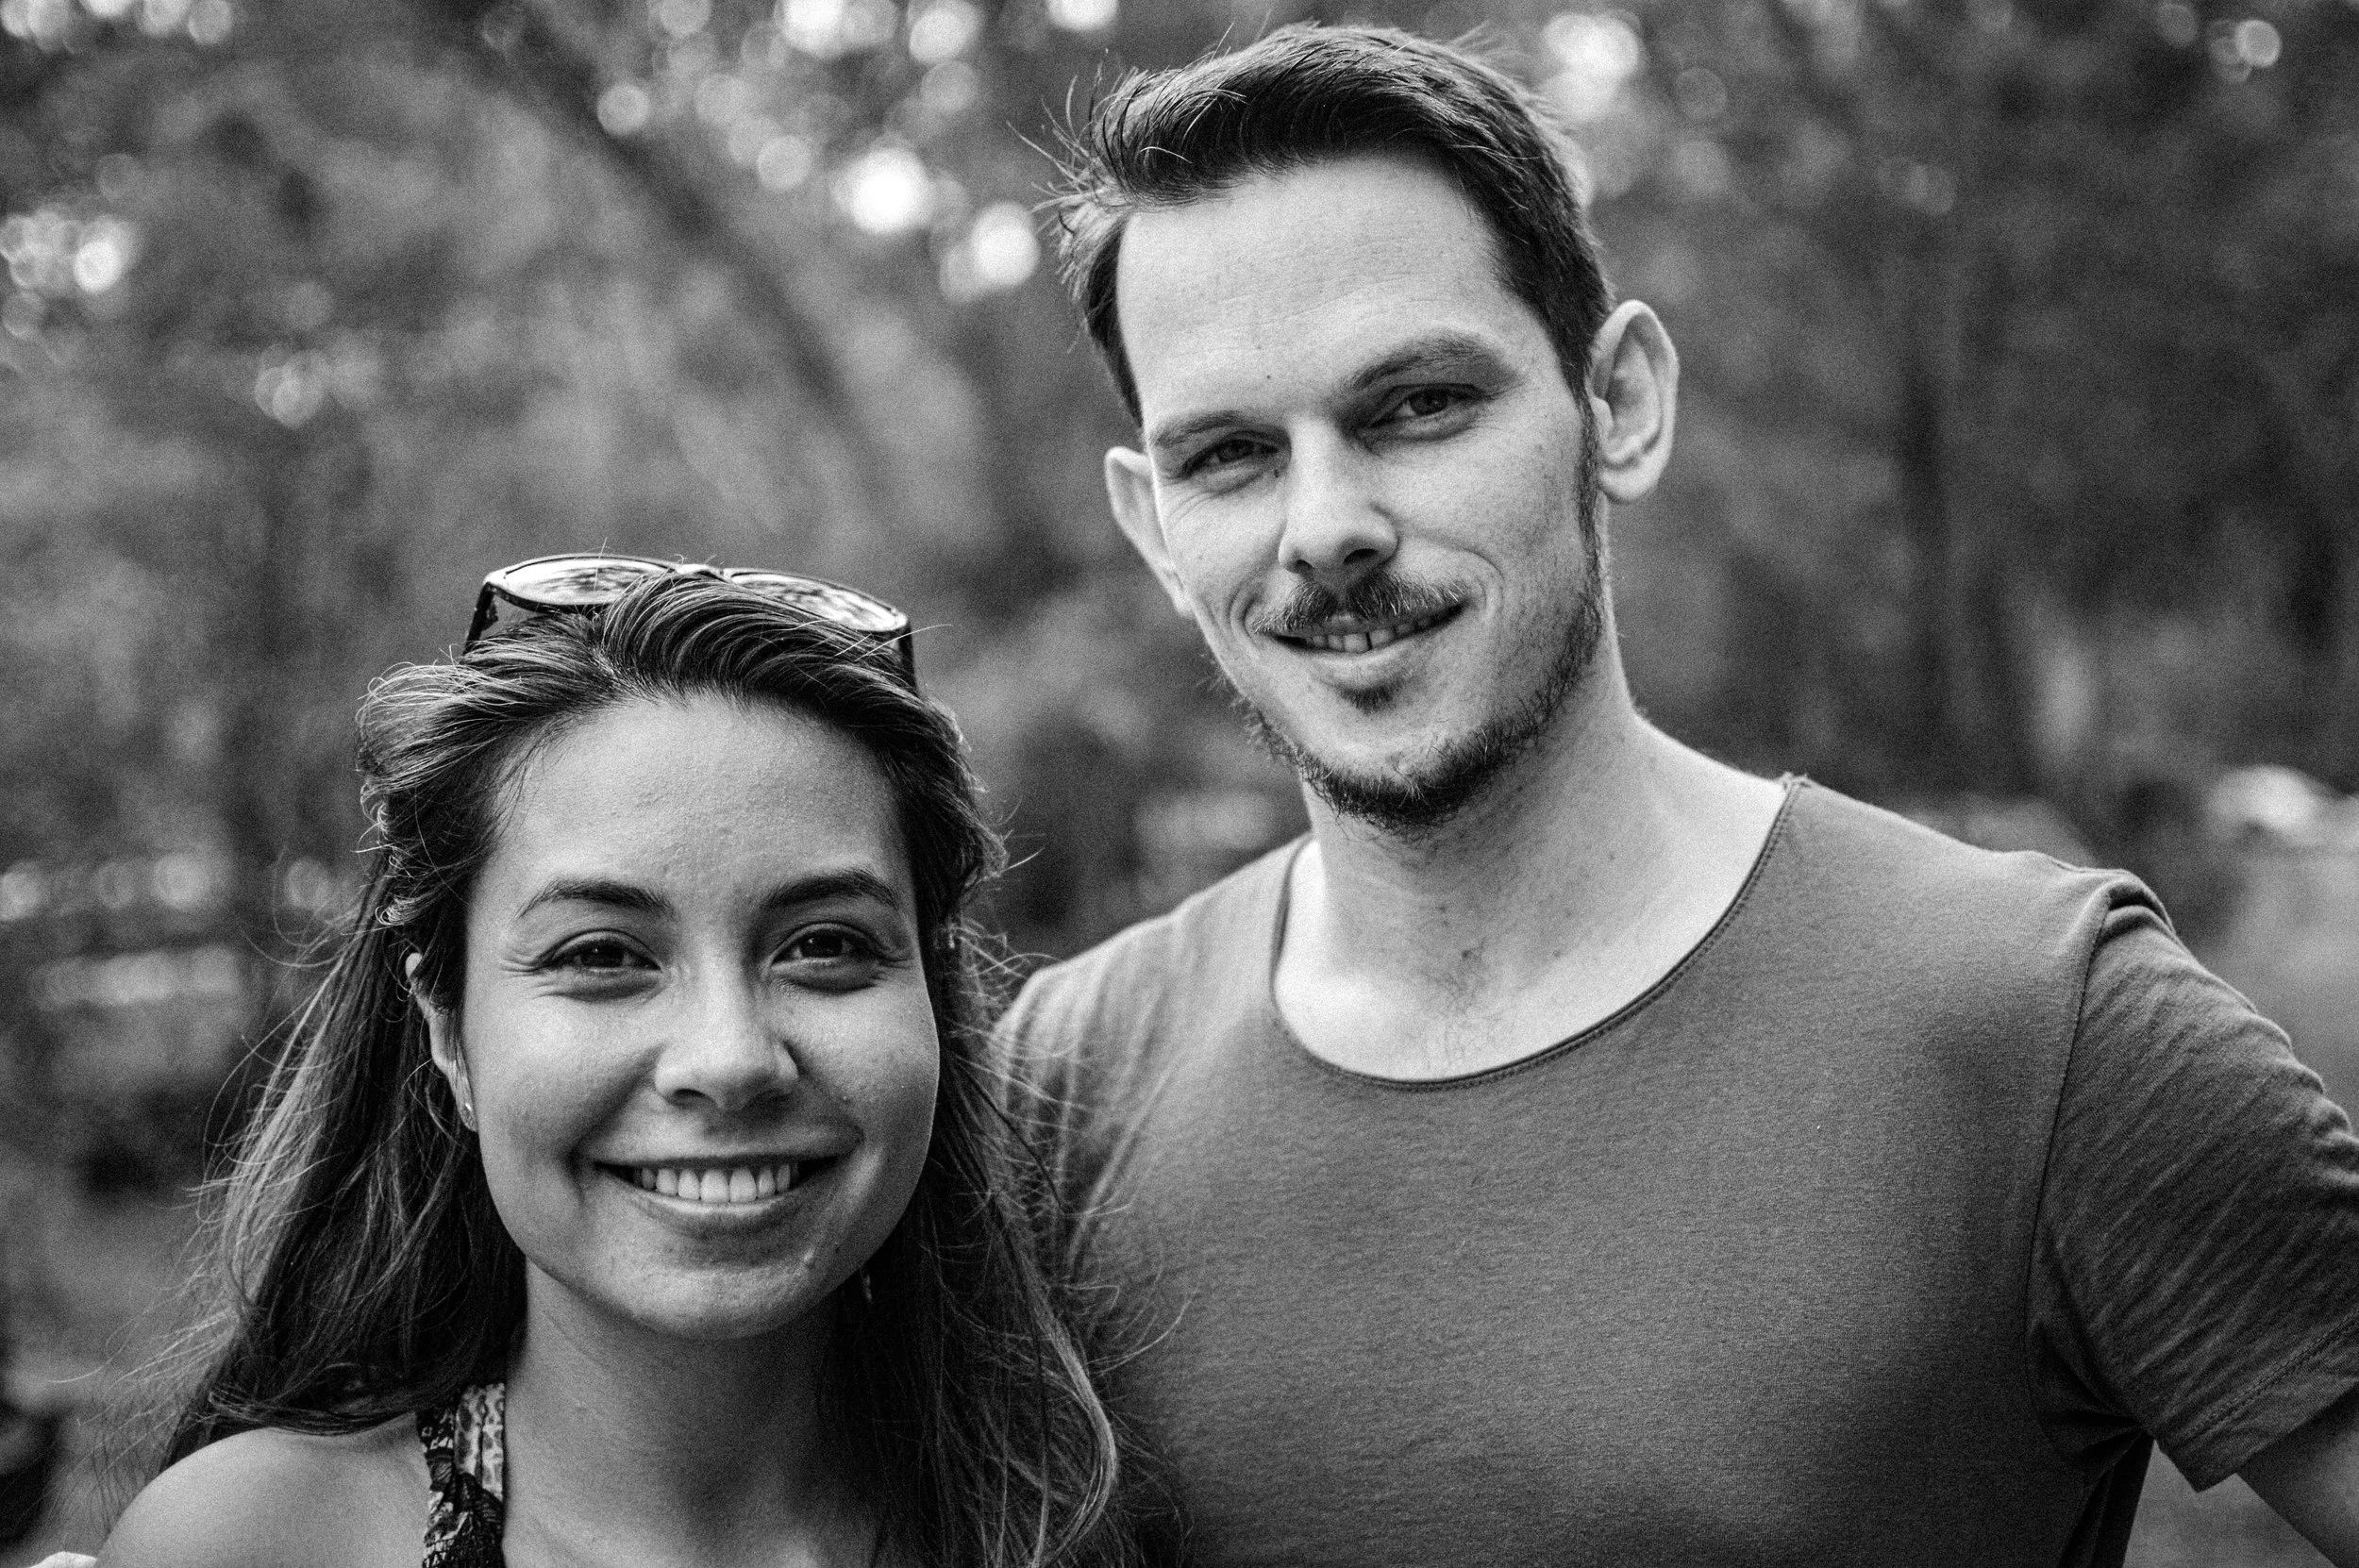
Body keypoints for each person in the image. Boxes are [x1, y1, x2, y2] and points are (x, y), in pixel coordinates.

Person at [1000, 24, 2359, 1568]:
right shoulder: (1061, 1086)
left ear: (1622, 403)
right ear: (1153, 527)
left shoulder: (2041, 1027)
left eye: (1416, 406)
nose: (1327, 528)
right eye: (1230, 455)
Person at [89, 559, 1135, 1568]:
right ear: (447, 1029)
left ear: (933, 1002)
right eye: (601, 956)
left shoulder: (1079, 1523)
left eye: (824, 944)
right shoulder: (248, 1544)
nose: (729, 1059)